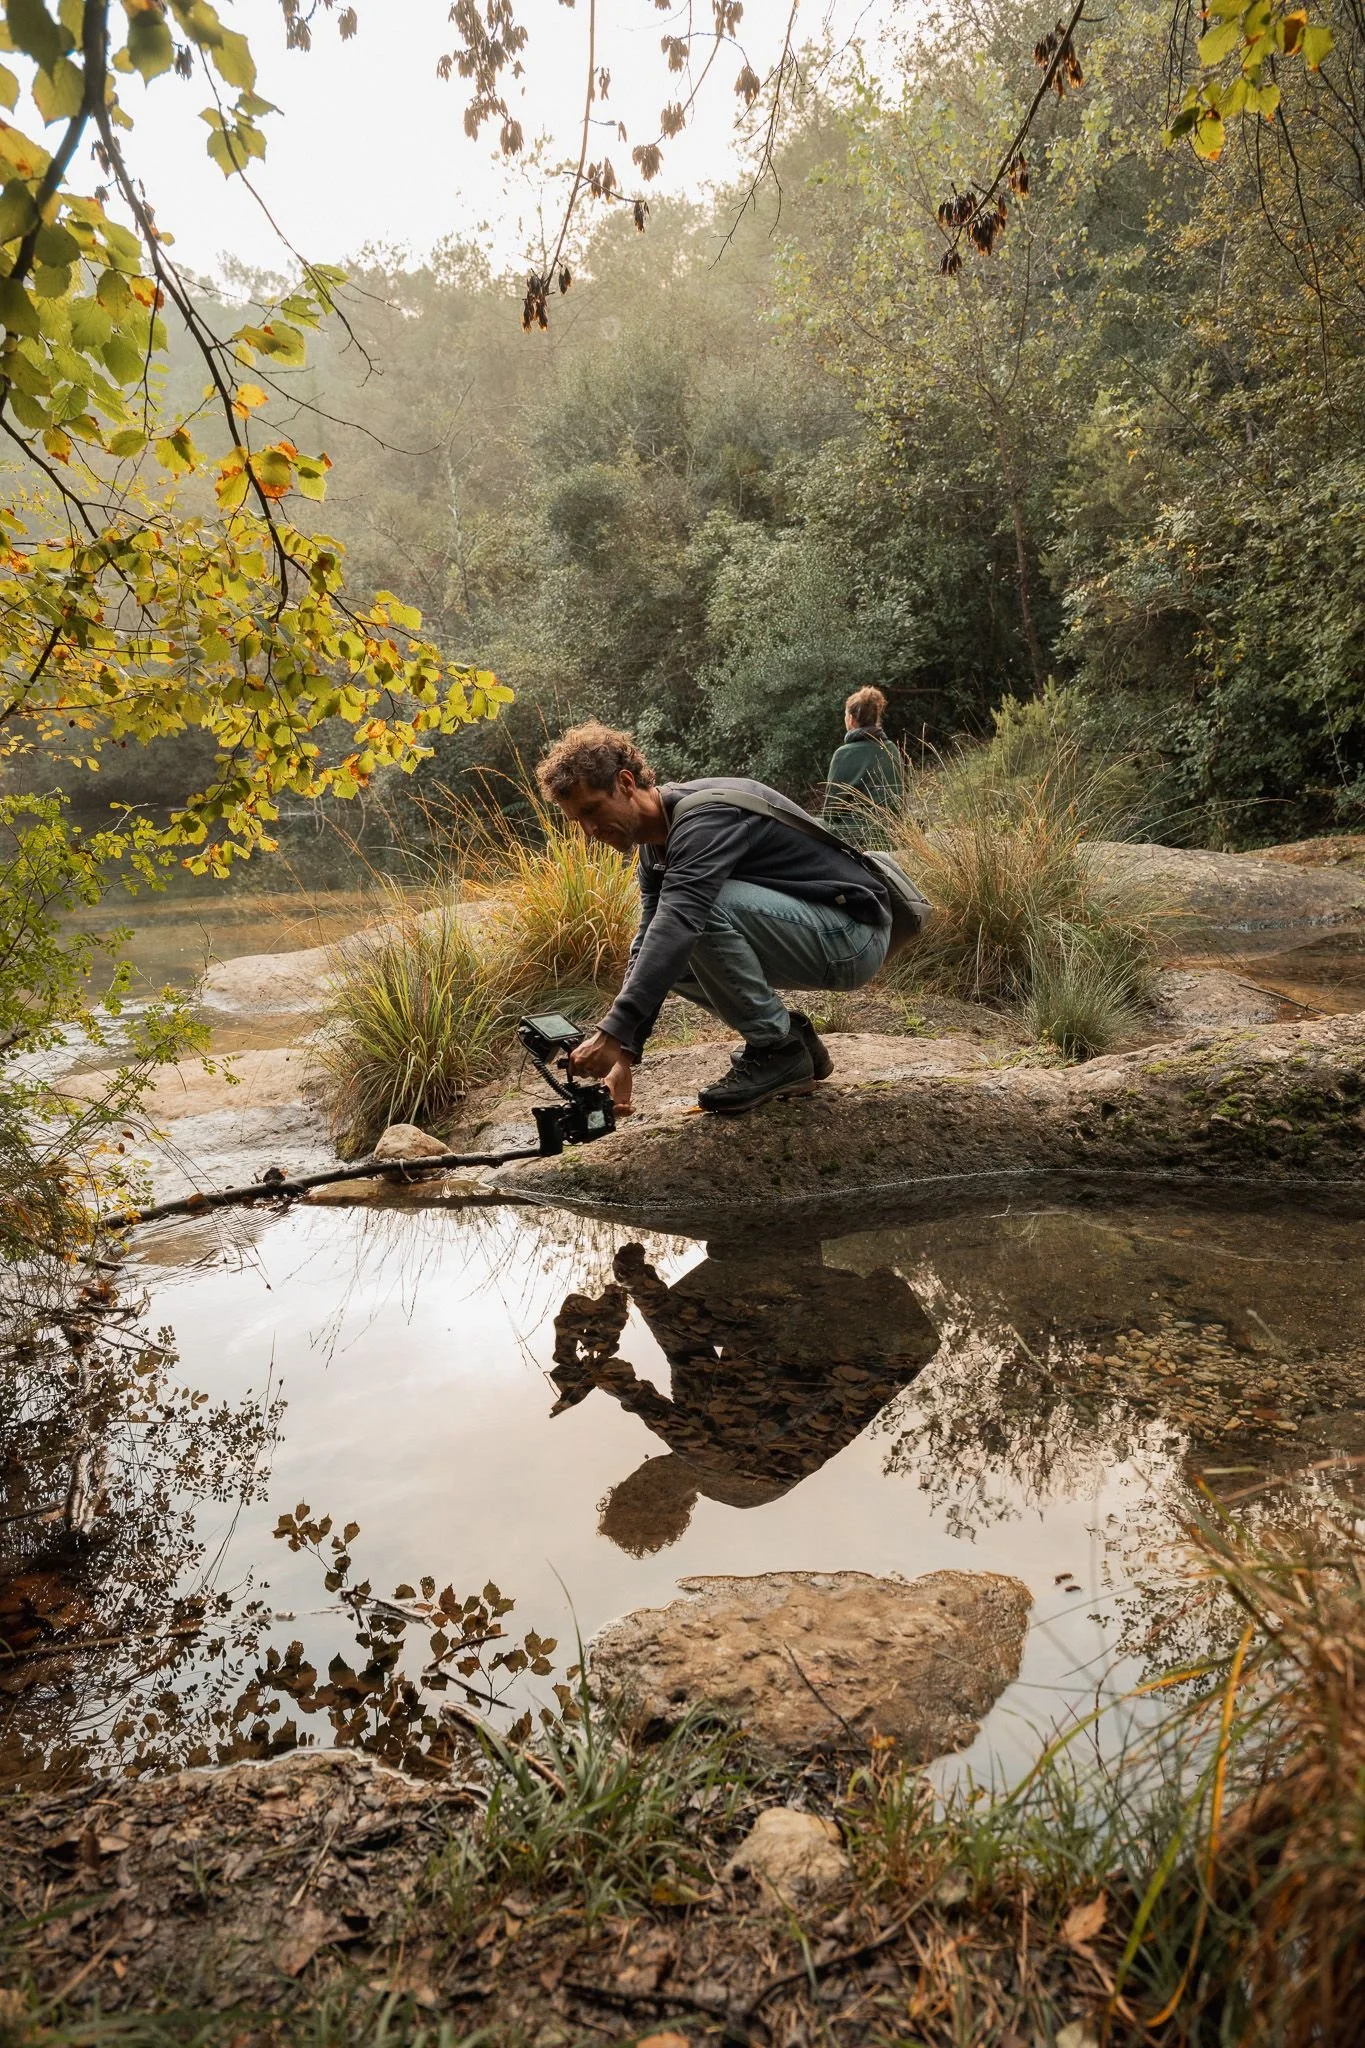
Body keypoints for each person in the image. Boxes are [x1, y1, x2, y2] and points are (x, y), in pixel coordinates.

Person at [535, 722, 892, 1115]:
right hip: (816, 934)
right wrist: (624, 1055)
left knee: (694, 916)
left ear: (623, 783)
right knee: (665, 949)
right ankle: (791, 1039)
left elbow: (681, 919)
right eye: (577, 821)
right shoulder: (656, 847)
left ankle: (777, 1051)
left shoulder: (705, 817)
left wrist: (612, 1033)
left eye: (591, 810)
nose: (589, 830)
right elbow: (649, 942)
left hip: (852, 936)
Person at [822, 686, 903, 839]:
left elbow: (830, 813)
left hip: (859, 837)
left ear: (851, 720)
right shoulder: (892, 749)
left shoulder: (844, 754)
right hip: (894, 832)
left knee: (810, 824)